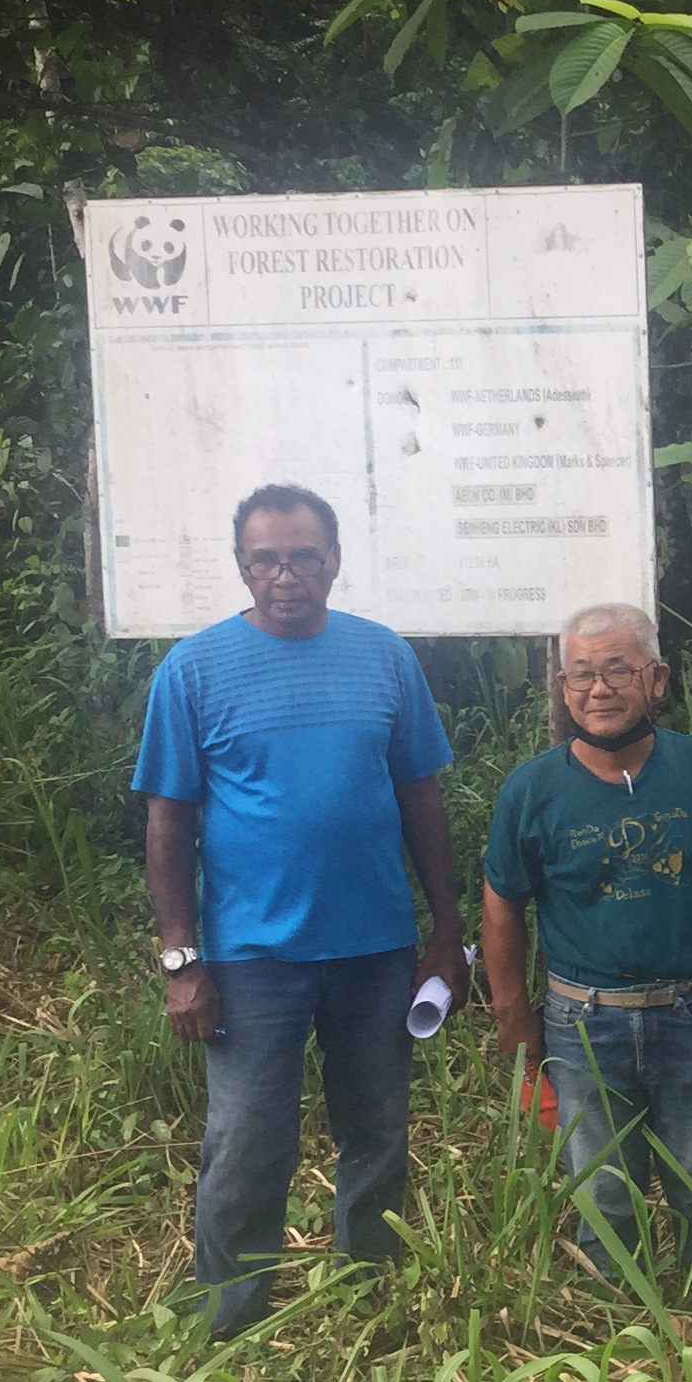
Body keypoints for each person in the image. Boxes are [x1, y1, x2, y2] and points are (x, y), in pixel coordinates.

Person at [135, 483, 464, 1335]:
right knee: (247, 1148)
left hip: (377, 950)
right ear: (243, 567)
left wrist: (446, 931)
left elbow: (421, 797)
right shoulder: (193, 670)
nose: (287, 575)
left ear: (335, 560)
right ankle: (232, 1327)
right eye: (267, 559)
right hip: (251, 959)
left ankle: (370, 1307)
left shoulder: (385, 657)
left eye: (304, 556)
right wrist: (182, 961)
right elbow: (168, 821)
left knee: (379, 1133)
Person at [479, 603, 692, 1288]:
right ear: (563, 690)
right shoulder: (532, 789)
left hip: (690, 1011)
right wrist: (514, 1018)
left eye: (618, 670)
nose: (599, 689)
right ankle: (617, 1326)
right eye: (582, 675)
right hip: (581, 1021)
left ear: (656, 680)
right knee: (601, 1189)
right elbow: (503, 905)